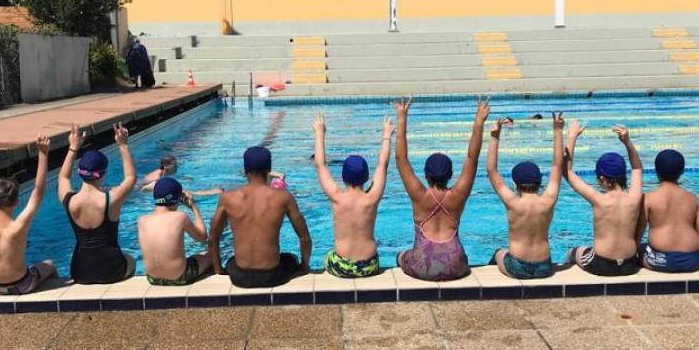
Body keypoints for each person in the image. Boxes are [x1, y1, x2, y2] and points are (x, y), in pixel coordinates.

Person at [395, 97, 489, 281]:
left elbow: (401, 159)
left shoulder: (419, 195)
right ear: (451, 174)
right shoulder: (458, 195)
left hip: (423, 267)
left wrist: (402, 117)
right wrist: (479, 121)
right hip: (456, 265)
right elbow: (472, 158)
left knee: (401, 256)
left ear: (425, 174)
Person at [0, 135, 58, 295]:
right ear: (16, 203)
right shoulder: (18, 226)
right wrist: (43, 153)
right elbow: (38, 191)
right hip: (22, 285)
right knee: (50, 265)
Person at [208, 146, 312, 288]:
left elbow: (213, 237)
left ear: (245, 170)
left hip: (240, 276)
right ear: (269, 169)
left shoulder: (228, 198)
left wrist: (218, 269)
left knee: (232, 260)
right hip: (272, 276)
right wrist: (305, 266)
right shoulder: (283, 197)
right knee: (291, 258)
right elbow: (304, 237)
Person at [313, 112, 393, 278]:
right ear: (366, 177)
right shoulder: (372, 198)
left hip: (342, 265)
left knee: (327, 256)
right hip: (370, 265)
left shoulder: (337, 197)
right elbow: (382, 165)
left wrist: (320, 133)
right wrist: (386, 135)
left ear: (343, 177)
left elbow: (320, 165)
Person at [486, 112, 564, 279]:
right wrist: (558, 130)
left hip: (517, 266)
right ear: (539, 182)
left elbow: (491, 170)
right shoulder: (548, 199)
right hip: (545, 266)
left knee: (499, 253)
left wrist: (495, 136)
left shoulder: (513, 202)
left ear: (515, 184)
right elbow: (557, 166)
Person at [58, 123, 138, 284]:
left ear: (80, 173)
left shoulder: (69, 200)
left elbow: (63, 178)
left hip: (80, 272)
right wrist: (123, 145)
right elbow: (130, 178)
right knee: (132, 259)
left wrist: (73, 148)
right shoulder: (110, 200)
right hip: (112, 270)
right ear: (103, 174)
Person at [563, 122, 643, 276]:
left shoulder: (598, 199)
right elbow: (637, 168)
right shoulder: (634, 197)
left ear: (601, 178)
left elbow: (567, 172)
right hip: (630, 264)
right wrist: (627, 142)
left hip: (602, 264)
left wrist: (572, 137)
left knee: (573, 252)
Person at [635, 150, 699, 273]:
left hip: (662, 261)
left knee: (641, 248)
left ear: (656, 171)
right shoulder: (693, 198)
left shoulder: (648, 199)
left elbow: (637, 236)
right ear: (682, 172)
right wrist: (697, 257)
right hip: (692, 260)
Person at [137, 177, 212, 285]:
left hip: (152, 278)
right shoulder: (180, 217)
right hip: (179, 277)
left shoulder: (142, 221)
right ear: (177, 199)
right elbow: (203, 237)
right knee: (211, 254)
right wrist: (194, 208)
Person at [139, 154, 224, 197]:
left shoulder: (162, 172)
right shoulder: (157, 178)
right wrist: (205, 193)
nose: (177, 167)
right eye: (176, 165)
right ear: (168, 166)